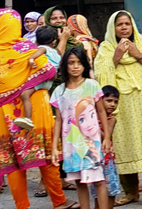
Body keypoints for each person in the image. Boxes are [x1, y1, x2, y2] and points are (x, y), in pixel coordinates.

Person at [0, 9, 74, 209]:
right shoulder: (27, 47)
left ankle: (22, 205)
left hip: (2, 112)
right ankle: (59, 201)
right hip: (36, 108)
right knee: (46, 155)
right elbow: (48, 71)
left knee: (12, 162)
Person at [94, 11, 142, 207]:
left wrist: (139, 55)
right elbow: (100, 75)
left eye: (127, 23)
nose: (124, 27)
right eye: (119, 24)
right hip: (121, 103)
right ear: (113, 28)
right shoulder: (106, 47)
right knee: (124, 144)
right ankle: (131, 193)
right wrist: (115, 58)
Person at [50, 47, 113, 209]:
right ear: (65, 66)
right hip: (71, 145)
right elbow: (58, 120)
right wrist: (54, 147)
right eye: (71, 63)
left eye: (79, 62)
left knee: (98, 181)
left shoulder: (92, 85)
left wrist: (106, 137)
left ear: (85, 65)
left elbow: (101, 111)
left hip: (92, 144)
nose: (75, 66)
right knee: (80, 182)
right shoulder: (59, 91)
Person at [99, 86, 123, 205]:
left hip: (107, 160)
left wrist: (91, 126)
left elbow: (105, 136)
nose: (112, 104)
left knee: (110, 189)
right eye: (108, 101)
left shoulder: (111, 119)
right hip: (95, 159)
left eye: (115, 102)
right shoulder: (93, 116)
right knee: (97, 190)